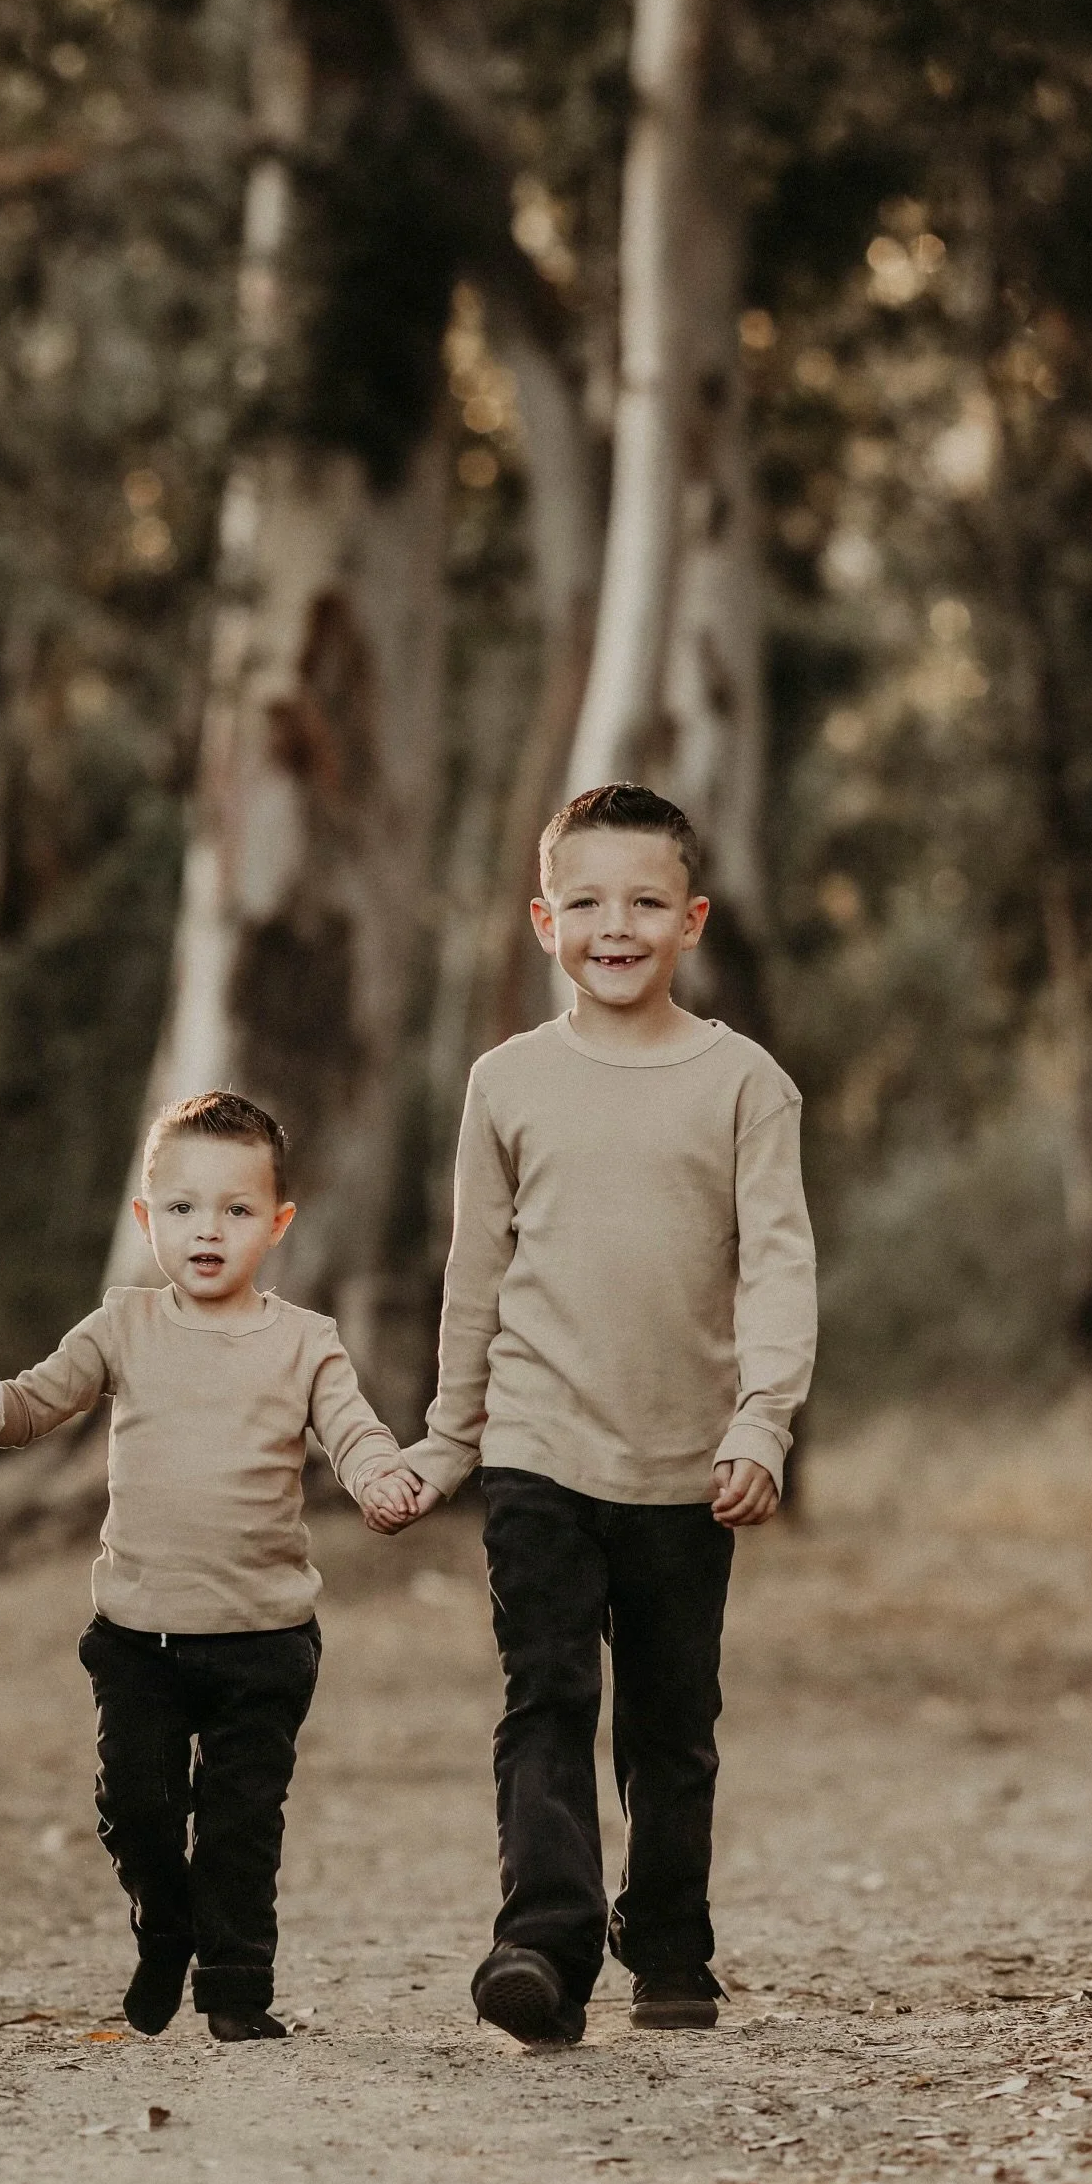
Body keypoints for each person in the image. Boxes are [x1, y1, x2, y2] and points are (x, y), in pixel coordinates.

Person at [395, 782, 816, 2043]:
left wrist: (760, 1421)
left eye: (643, 902)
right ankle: (541, 1943)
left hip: (689, 1461)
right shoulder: (506, 1082)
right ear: (542, 920)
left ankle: (670, 1939)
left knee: (671, 1723)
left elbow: (780, 1263)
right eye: (585, 902)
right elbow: (474, 1272)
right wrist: (450, 1435)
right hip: (538, 1444)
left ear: (689, 921)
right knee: (546, 1695)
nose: (613, 925)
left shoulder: (745, 1083)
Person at [0, 1091, 421, 2039]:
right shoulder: (122, 1325)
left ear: (278, 1224)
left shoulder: (306, 1342)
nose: (208, 1231)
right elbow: (34, 1404)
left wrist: (381, 1478)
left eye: (237, 1210)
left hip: (265, 1640)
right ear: (146, 1218)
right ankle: (164, 1924)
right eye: (182, 1208)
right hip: (139, 1639)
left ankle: (237, 1987)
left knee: (243, 1824)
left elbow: (353, 1430)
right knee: (139, 1807)